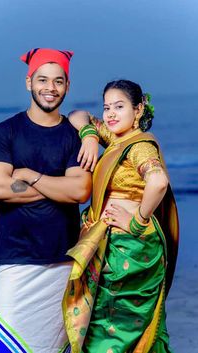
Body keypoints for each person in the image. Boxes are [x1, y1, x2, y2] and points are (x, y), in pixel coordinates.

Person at [0, 48, 92, 353]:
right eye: (43, 80)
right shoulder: (4, 132)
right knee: (6, 347)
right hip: (15, 260)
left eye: (58, 81)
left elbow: (81, 191)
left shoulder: (74, 136)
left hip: (64, 262)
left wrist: (30, 175)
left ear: (67, 86)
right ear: (29, 82)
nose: (50, 88)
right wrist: (58, 187)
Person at [61, 79, 179, 353]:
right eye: (106, 107)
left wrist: (136, 220)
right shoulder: (116, 138)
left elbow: (158, 181)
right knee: (109, 321)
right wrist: (90, 135)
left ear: (138, 110)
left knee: (114, 326)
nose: (111, 113)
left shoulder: (139, 147)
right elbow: (76, 115)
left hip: (130, 247)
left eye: (119, 106)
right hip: (114, 243)